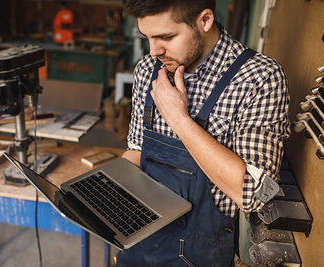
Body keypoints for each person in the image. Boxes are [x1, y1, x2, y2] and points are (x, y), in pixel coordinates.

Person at [118, 0, 290, 266]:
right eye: (148, 37)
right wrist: (101, 188)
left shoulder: (259, 78)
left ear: (205, 20)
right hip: (140, 241)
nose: (154, 51)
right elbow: (138, 151)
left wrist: (178, 118)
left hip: (200, 254)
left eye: (166, 37)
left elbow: (256, 194)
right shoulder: (147, 70)